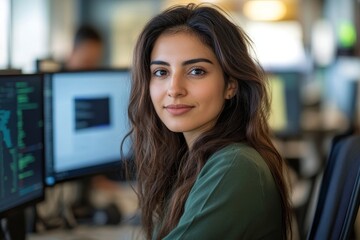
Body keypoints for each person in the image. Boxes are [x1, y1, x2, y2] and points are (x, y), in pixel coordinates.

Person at [127, 3, 293, 240]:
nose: (174, 89)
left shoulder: (234, 167)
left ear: (230, 85)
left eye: (196, 71)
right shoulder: (191, 160)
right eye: (161, 72)